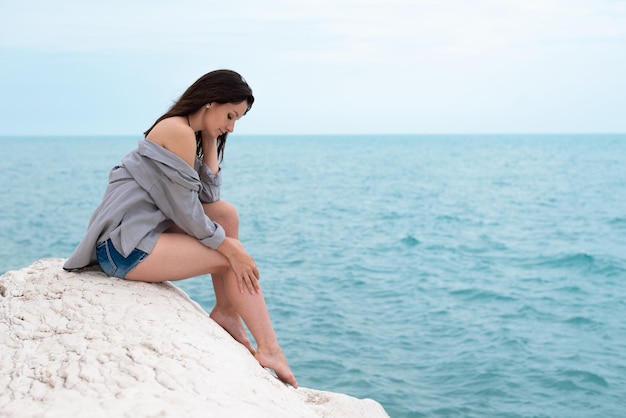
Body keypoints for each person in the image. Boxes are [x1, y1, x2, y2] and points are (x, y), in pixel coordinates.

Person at [63, 69, 297, 388]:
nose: (231, 126)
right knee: (231, 257)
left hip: (143, 231)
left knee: (226, 215)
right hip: (122, 249)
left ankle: (227, 312)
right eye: (230, 116)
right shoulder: (177, 131)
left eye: (236, 120)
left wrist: (213, 138)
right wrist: (230, 248)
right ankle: (270, 349)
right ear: (211, 101)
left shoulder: (190, 132)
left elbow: (209, 199)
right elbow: (187, 211)